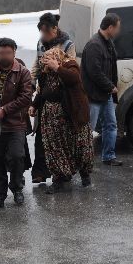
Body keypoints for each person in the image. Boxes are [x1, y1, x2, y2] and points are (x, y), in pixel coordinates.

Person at [30, 48, 94, 193]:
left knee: (79, 147)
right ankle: (59, 178)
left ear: (57, 57)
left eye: (48, 59)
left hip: (72, 114)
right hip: (51, 117)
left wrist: (57, 68)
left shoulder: (70, 65)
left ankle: (85, 173)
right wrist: (34, 105)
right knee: (54, 148)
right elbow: (42, 91)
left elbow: (74, 79)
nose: (44, 62)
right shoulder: (46, 72)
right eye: (44, 59)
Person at [0, 38, 32, 208]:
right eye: (2, 53)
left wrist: (4, 110)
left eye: (8, 53)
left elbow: (26, 97)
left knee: (17, 156)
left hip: (15, 123)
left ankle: (17, 188)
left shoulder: (23, 72)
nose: (5, 56)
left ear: (14, 53)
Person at [30, 12, 76, 183]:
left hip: (61, 93)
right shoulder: (40, 44)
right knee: (42, 134)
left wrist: (55, 66)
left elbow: (71, 66)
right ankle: (40, 172)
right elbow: (36, 64)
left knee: (61, 136)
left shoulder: (67, 44)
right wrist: (31, 82)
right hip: (44, 93)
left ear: (54, 29)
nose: (43, 35)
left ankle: (63, 171)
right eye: (41, 32)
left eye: (46, 32)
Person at [81, 13, 123, 166]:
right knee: (87, 130)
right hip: (93, 96)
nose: (119, 31)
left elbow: (110, 68)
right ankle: (83, 161)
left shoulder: (108, 42)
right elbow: (94, 71)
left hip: (106, 95)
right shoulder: (94, 45)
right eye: (117, 27)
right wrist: (110, 86)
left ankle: (109, 156)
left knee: (111, 125)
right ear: (110, 27)